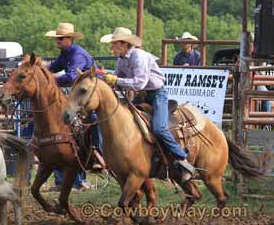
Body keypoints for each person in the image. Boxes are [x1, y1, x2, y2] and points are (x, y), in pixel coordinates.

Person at [100, 27, 196, 182]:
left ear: (124, 44)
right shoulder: (121, 59)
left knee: (159, 128)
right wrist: (107, 77)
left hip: (157, 94)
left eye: (114, 44)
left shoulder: (139, 57)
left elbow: (138, 83)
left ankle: (182, 158)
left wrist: (115, 80)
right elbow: (118, 77)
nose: (112, 47)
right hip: (143, 95)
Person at [45, 22, 104, 191]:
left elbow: (71, 77)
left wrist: (49, 80)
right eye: (57, 38)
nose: (58, 41)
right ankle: (72, 179)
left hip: (90, 95)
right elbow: (52, 67)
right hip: (80, 96)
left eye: (61, 38)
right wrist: (41, 71)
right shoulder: (65, 54)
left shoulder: (77, 54)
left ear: (70, 39)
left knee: (87, 123)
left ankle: (97, 151)